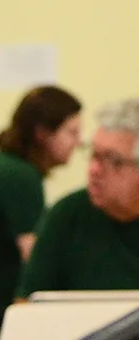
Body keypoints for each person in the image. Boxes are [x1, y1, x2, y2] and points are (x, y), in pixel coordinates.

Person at [0, 86, 82, 340]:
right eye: (72, 132)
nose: (79, 142)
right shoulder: (20, 177)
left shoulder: (8, 168)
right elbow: (35, 257)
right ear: (43, 134)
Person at [18, 98, 139, 297]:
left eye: (111, 160)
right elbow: (26, 304)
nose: (93, 170)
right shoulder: (65, 216)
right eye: (93, 155)